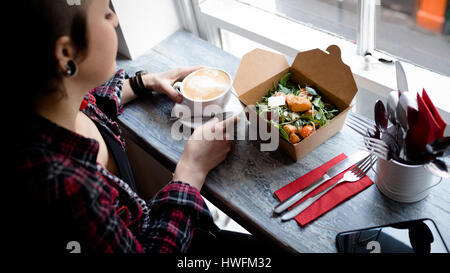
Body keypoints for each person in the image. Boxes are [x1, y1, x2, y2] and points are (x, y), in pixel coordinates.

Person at [10, 0, 275, 254]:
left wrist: (143, 83)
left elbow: (93, 100)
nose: (114, 19)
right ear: (66, 53)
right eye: (104, 13)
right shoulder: (65, 188)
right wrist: (191, 169)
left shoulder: (56, 107)